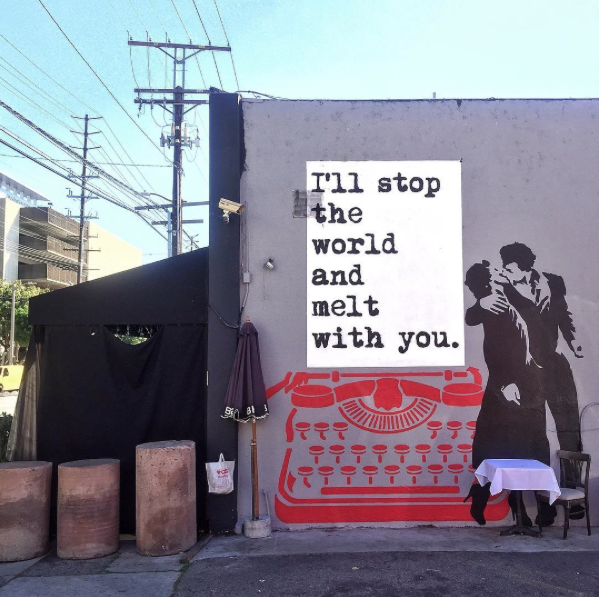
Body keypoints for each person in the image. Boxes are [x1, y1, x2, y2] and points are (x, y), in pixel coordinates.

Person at [499, 242, 583, 523]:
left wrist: (573, 341)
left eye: (509, 266)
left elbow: (563, 315)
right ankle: (543, 503)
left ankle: (573, 499)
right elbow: (502, 337)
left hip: (556, 366)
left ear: (524, 265)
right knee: (535, 438)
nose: (505, 270)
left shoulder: (554, 282)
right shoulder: (503, 290)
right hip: (525, 369)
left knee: (569, 432)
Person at [463, 260, 545, 525]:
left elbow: (525, 329)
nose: (499, 275)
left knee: (516, 449)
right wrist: (507, 383)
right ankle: (518, 510)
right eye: (493, 274)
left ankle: (502, 503)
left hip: (521, 383)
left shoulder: (507, 298)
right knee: (508, 449)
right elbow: (499, 344)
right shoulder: (494, 303)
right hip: (510, 384)